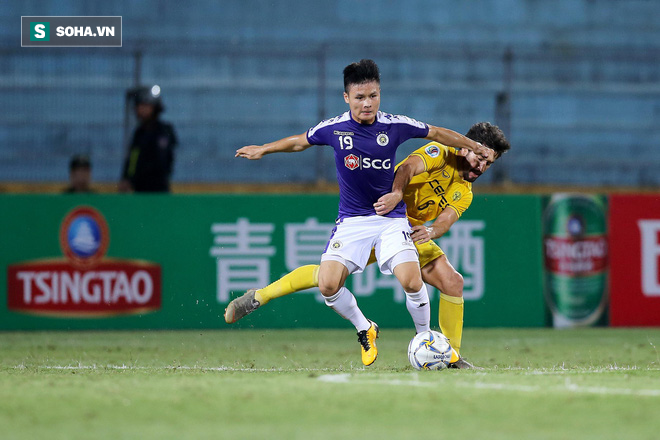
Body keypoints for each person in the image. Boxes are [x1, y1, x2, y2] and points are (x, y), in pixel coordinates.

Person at [235, 59, 495, 367]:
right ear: (346, 98)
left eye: (373, 96)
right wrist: (264, 148)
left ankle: (427, 339)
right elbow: (299, 142)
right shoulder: (334, 128)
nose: (367, 103)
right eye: (360, 97)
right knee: (328, 284)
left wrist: (472, 146)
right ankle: (364, 327)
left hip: (392, 220)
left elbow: (437, 132)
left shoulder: (395, 125)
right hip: (353, 220)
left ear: (380, 94)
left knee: (413, 281)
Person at [119, 85, 178, 193]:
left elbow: (162, 163)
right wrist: (127, 178)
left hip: (158, 191)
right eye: (139, 106)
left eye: (143, 105)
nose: (140, 109)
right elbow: (133, 158)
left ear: (153, 107)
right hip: (139, 191)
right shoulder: (139, 133)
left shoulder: (164, 132)